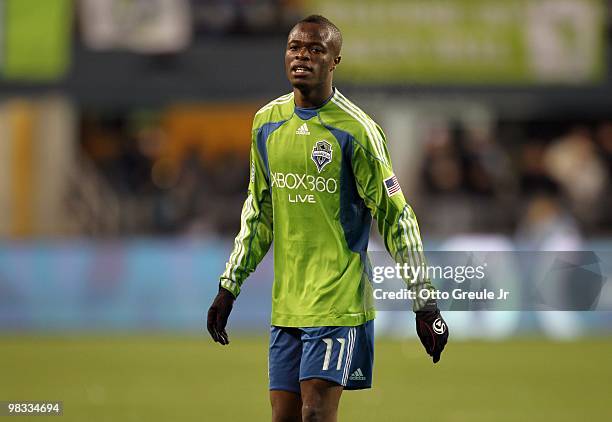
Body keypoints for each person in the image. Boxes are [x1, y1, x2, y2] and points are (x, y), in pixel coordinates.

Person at [207, 15, 448, 422]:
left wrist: (424, 301)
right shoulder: (266, 123)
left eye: (315, 49)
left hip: (338, 302)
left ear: (334, 61)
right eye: (294, 47)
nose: (302, 56)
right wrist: (229, 286)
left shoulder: (359, 130)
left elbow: (396, 217)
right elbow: (259, 212)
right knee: (283, 417)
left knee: (316, 412)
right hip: (288, 305)